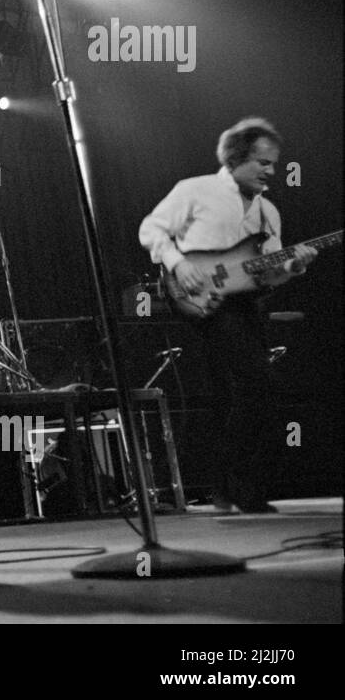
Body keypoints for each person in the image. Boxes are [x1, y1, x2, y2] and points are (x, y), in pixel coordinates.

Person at [139, 117, 317, 513]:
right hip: (201, 302)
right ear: (236, 159)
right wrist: (178, 263)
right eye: (263, 162)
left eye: (274, 163)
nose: (272, 171)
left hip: (245, 305)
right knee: (259, 384)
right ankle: (237, 484)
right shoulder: (195, 190)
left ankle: (229, 486)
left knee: (235, 396)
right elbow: (151, 229)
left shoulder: (268, 211)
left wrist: (294, 267)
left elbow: (269, 271)